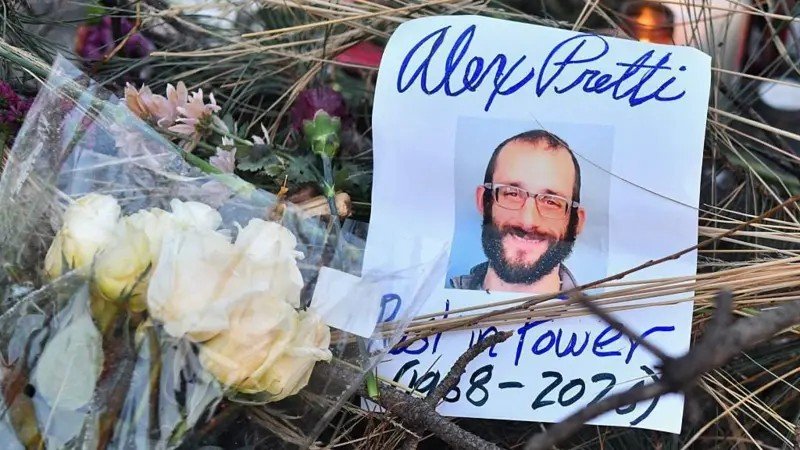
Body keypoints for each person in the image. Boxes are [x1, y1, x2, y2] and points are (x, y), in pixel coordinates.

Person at [450, 130, 586, 293]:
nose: (527, 222)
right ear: (483, 201)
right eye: (512, 194)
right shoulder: (430, 299)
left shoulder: (602, 309)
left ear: (576, 223)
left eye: (551, 202)